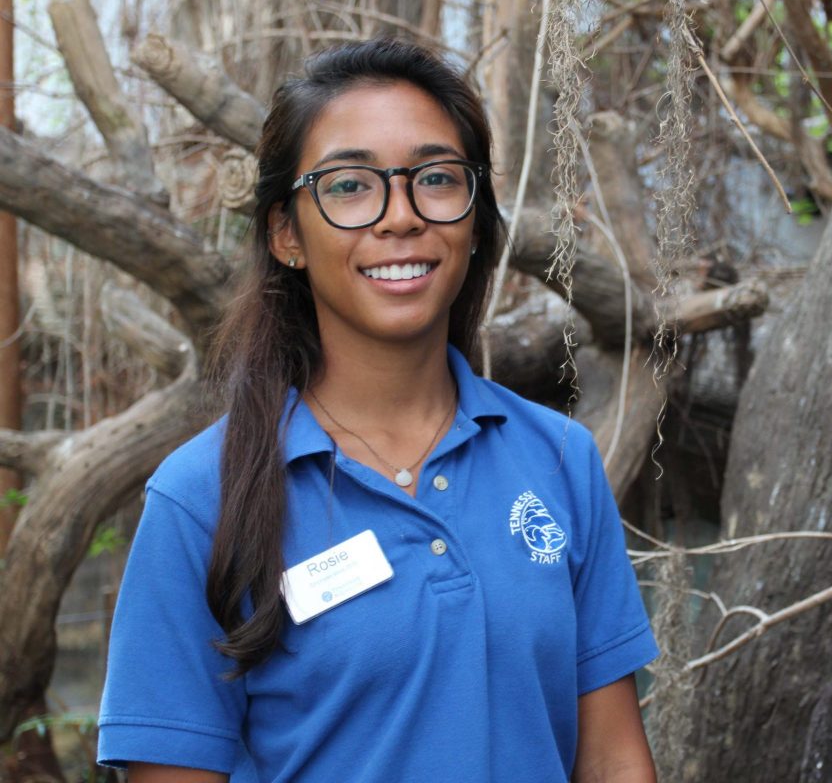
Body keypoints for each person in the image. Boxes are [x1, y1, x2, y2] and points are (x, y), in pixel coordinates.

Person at [97, 38, 658, 782]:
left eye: (435, 178)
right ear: (287, 233)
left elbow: (615, 761)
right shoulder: (201, 497)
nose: (401, 217)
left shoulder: (558, 457)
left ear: (475, 219)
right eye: (351, 185)